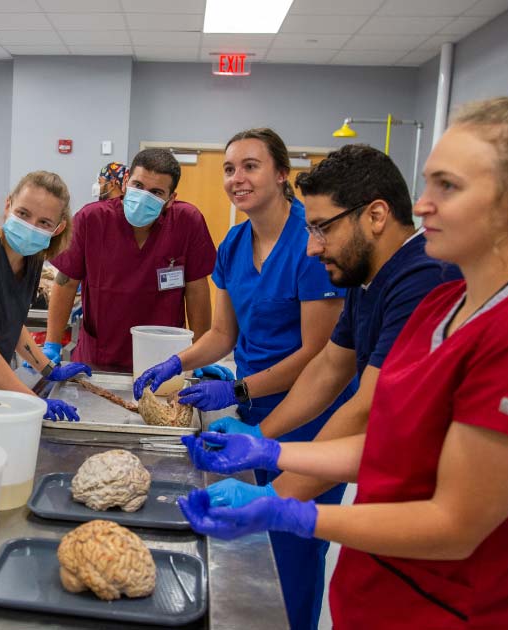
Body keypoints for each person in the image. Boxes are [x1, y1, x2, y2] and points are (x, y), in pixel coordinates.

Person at [177, 70, 508, 628]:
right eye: (427, 184)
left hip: (442, 610)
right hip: (375, 592)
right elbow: (391, 444)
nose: (421, 205)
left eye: (447, 187)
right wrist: (272, 451)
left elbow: (454, 525)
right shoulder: (446, 308)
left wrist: (292, 512)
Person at [133, 128, 350, 630]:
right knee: (255, 552)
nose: (237, 178)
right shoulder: (233, 242)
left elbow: (319, 355)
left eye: (250, 166)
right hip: (255, 411)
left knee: (293, 552)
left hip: (312, 419)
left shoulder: (309, 244)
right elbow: (222, 333)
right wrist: (177, 361)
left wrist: (234, 388)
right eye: (229, 168)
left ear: (281, 174)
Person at [206, 144, 459, 501]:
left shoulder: (424, 279)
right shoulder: (366, 277)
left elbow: (366, 408)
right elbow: (328, 367)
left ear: (375, 216)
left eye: (322, 228)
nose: (311, 247)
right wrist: (260, 435)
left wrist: (273, 496)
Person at [44, 148, 215, 370]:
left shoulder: (187, 222)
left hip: (166, 358)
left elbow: (197, 290)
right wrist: (52, 343)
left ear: (171, 199)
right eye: (138, 186)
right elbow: (66, 282)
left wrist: (201, 352)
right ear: (125, 182)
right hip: (99, 356)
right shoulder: (92, 219)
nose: (144, 196)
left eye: (156, 192)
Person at [0, 171, 91, 420]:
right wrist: (33, 402)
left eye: (44, 223)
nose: (30, 227)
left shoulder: (32, 259)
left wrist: (48, 368)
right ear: (8, 205)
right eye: (23, 214)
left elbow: (13, 324)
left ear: (58, 228)